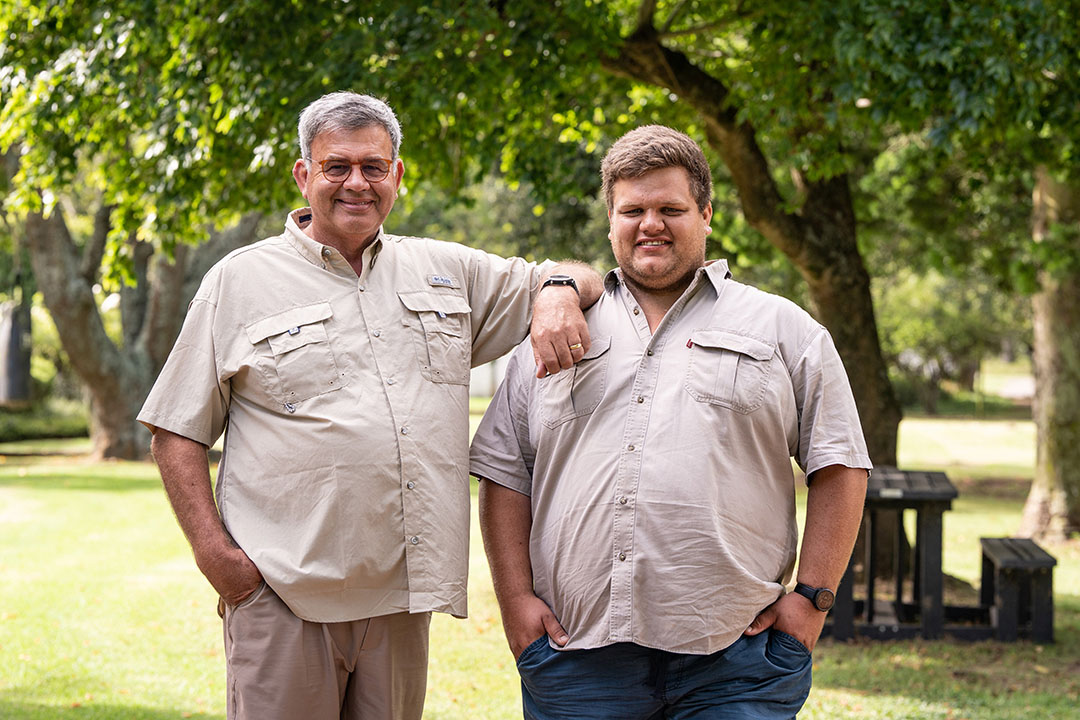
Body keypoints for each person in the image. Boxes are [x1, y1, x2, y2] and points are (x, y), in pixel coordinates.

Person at [138, 91, 603, 720]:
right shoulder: (239, 281)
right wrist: (220, 562)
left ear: (397, 176)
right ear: (304, 174)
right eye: (337, 167)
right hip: (284, 595)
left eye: (373, 167)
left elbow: (583, 274)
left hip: (401, 599)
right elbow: (175, 431)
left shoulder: (447, 271)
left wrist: (553, 291)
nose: (356, 182)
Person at [471, 125, 872, 719]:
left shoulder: (784, 329)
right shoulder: (554, 329)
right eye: (632, 209)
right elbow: (507, 473)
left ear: (706, 214)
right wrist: (514, 602)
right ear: (610, 221)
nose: (650, 224)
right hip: (576, 657)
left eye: (670, 208)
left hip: (739, 660)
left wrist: (811, 601)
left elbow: (839, 463)